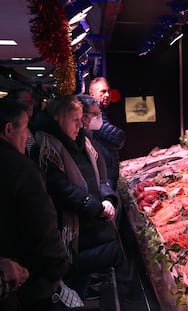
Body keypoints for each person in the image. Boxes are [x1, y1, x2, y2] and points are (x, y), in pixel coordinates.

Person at [30, 95, 122, 299]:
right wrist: (95, 207)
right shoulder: (45, 148)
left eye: (82, 119)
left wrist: (108, 198)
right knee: (69, 286)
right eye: (74, 119)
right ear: (57, 117)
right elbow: (60, 189)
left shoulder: (85, 140)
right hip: (70, 230)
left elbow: (102, 174)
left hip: (92, 226)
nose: (80, 125)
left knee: (82, 278)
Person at [0, 97, 70, 310]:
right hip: (27, 280)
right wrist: (58, 267)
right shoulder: (22, 170)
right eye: (25, 128)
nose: (28, 136)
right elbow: (43, 227)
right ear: (9, 129)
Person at [88, 77, 125, 190]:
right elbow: (118, 137)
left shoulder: (102, 112)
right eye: (103, 92)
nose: (108, 95)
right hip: (105, 173)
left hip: (107, 170)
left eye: (108, 91)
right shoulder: (94, 113)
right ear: (92, 94)